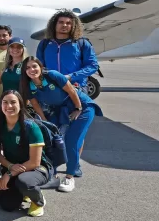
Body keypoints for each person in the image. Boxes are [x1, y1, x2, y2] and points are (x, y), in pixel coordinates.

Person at [20, 56, 102, 193]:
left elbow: (71, 90)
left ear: (41, 67)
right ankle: (52, 172)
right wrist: (44, 120)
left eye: (34, 66)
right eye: (27, 68)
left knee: (72, 140)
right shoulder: (28, 85)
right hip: (60, 111)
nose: (32, 70)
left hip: (82, 107)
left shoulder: (52, 75)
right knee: (49, 138)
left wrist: (78, 108)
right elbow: (36, 105)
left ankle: (70, 176)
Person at [0, 90, 51, 217]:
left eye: (13, 102)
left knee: (24, 181)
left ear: (20, 105)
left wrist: (9, 173)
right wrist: (9, 166)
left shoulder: (31, 127)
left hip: (36, 168)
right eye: (5, 102)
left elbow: (35, 162)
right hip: (13, 166)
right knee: (8, 205)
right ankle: (25, 193)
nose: (9, 106)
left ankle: (38, 201)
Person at [36, 9, 100, 90]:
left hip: (76, 88)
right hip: (52, 89)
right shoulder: (44, 44)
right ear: (54, 24)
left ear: (73, 26)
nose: (64, 25)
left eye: (68, 23)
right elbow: (39, 66)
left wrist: (71, 77)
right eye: (61, 22)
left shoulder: (82, 43)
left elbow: (92, 65)